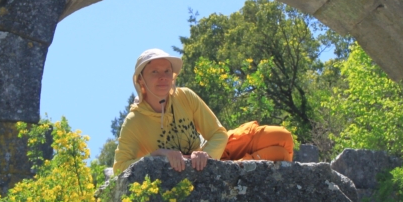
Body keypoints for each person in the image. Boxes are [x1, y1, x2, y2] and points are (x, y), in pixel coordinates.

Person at [112, 49, 294, 174]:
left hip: (215, 153)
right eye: (154, 72)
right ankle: (233, 170)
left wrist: (206, 155)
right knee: (281, 156)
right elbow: (119, 167)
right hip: (194, 172)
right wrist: (157, 155)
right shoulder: (134, 121)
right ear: (141, 80)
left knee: (282, 138)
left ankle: (231, 167)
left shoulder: (185, 96)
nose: (163, 77)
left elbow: (218, 133)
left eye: (167, 71)